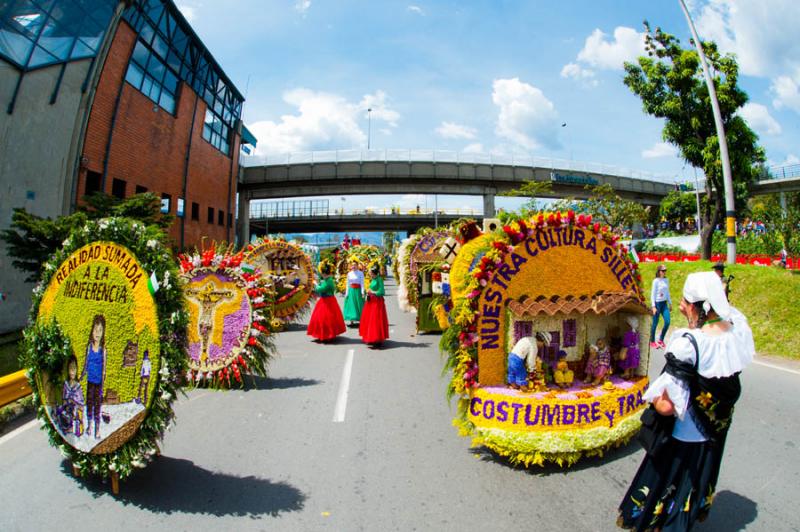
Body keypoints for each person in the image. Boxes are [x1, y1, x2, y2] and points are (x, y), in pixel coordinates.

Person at [617, 272, 754, 530]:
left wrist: (651, 397)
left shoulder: (688, 343)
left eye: (685, 301)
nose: (681, 305)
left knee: (667, 495)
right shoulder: (738, 331)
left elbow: (667, 407)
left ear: (695, 305)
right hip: (712, 438)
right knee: (689, 494)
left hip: (682, 438)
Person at [307, 260, 346, 342]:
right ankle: (326, 334)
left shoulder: (328, 281)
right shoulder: (328, 280)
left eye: (321, 272)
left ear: (324, 273)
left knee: (325, 318)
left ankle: (327, 334)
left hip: (327, 301)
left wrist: (315, 284)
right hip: (326, 300)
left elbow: (320, 289)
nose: (320, 274)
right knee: (324, 317)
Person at [81, 314, 106, 440]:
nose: (97, 333)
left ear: (103, 332)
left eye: (100, 330)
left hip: (98, 383)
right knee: (89, 403)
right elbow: (86, 364)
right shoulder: (89, 347)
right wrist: (81, 377)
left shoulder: (103, 349)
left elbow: (104, 369)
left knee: (98, 405)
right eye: (95, 329)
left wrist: (103, 383)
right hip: (90, 381)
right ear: (92, 331)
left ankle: (97, 429)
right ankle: (89, 426)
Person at [359, 263, 389, 347]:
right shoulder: (373, 279)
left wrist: (373, 292)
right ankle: (371, 337)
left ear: (375, 273)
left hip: (377, 302)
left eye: (371, 273)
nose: (370, 274)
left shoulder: (379, 279)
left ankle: (376, 339)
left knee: (375, 320)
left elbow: (382, 292)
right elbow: (372, 288)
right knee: (370, 320)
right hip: (370, 302)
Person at [650, 265, 672, 349]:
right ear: (659, 272)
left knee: (667, 322)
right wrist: (653, 306)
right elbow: (652, 294)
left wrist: (670, 303)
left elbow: (667, 292)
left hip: (664, 303)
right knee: (655, 323)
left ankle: (661, 339)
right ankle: (652, 341)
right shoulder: (655, 281)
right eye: (662, 271)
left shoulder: (666, 280)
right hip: (657, 303)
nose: (664, 272)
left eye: (665, 270)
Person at [343, 260, 365, 326]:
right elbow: (347, 284)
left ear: (357, 265)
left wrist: (362, 292)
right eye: (352, 265)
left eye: (355, 265)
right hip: (351, 291)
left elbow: (362, 283)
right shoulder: (349, 274)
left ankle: (361, 320)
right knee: (351, 305)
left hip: (358, 291)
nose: (353, 266)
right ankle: (351, 321)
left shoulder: (360, 273)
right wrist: (346, 293)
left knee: (359, 305)